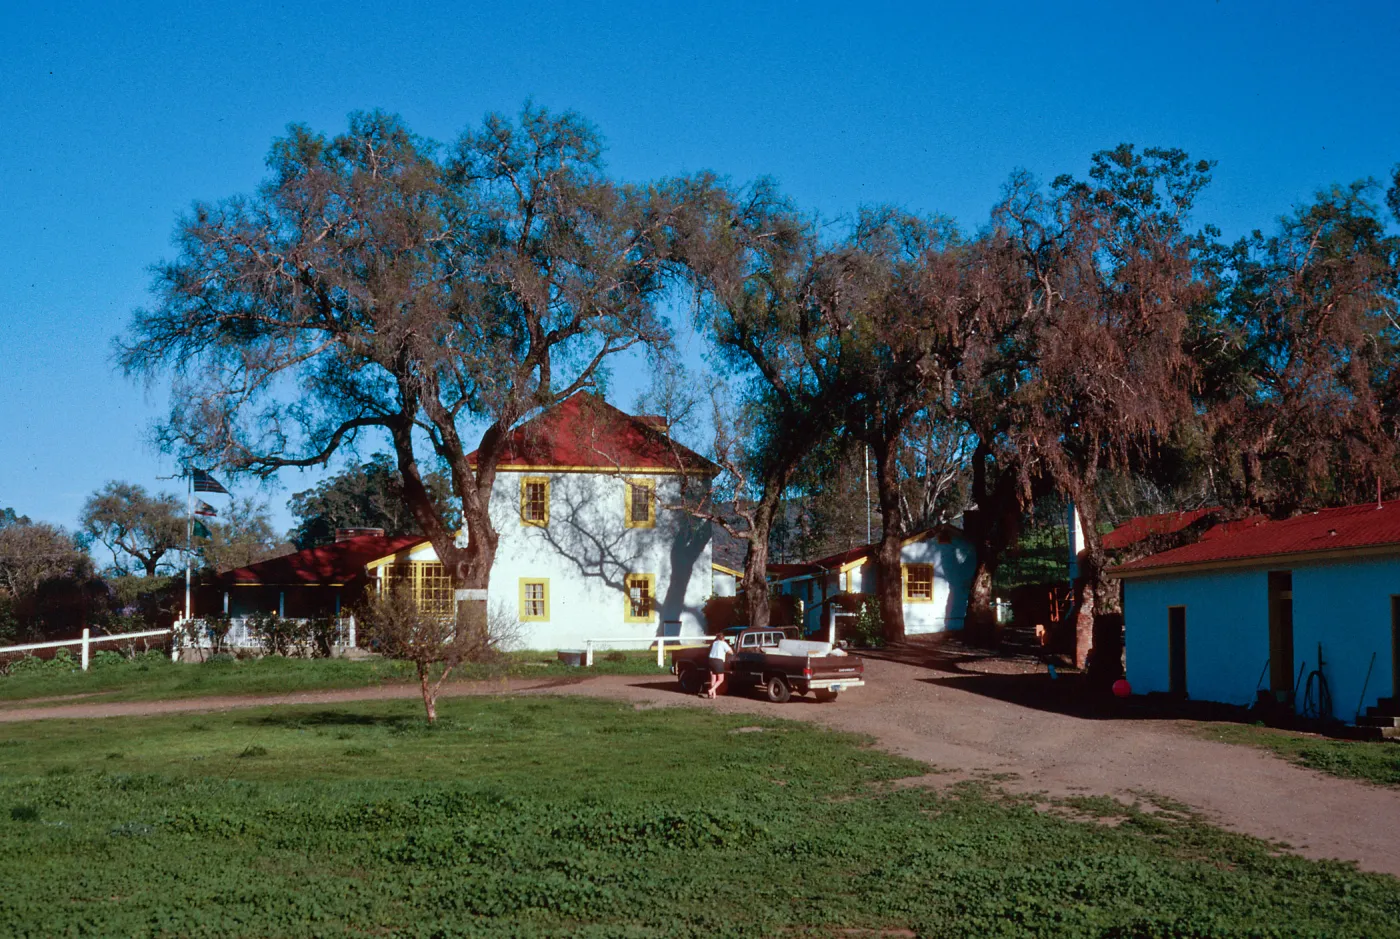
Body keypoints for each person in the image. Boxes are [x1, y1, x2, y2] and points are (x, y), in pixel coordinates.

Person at [705, 634, 733, 699]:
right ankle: (711, 690)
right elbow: (731, 652)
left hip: (711, 660)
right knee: (721, 679)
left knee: (713, 678)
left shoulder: (714, 643)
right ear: (723, 638)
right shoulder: (723, 643)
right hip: (718, 661)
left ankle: (713, 695)